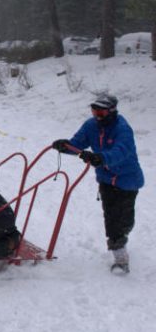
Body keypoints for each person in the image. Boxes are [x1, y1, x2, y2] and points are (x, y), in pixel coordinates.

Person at [52, 94, 143, 273]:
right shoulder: (91, 125)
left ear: (111, 111)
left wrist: (101, 157)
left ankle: (123, 234)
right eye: (94, 111)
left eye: (100, 112)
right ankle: (120, 257)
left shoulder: (122, 128)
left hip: (127, 180)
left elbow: (121, 151)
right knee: (112, 217)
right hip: (106, 180)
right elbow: (78, 143)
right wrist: (66, 146)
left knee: (124, 219)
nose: (97, 116)